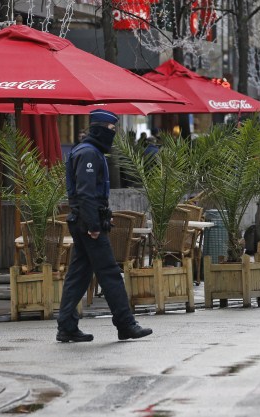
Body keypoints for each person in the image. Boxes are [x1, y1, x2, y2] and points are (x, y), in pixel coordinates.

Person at [56, 109, 152, 343]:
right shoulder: (88, 154)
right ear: (98, 129)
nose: (113, 134)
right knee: (109, 273)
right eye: (111, 130)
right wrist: (93, 224)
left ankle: (67, 326)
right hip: (88, 224)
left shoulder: (88, 151)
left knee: (78, 275)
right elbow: (86, 194)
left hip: (85, 221)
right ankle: (126, 323)